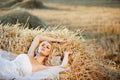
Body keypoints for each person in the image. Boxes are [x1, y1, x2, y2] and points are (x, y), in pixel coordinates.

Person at [0, 35, 72, 79]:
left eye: (47, 47)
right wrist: (57, 40)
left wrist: (66, 54)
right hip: (4, 65)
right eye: (42, 45)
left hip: (7, 75)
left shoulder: (41, 67)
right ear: (37, 48)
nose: (44, 47)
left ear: (48, 54)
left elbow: (63, 66)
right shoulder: (30, 54)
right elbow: (39, 37)